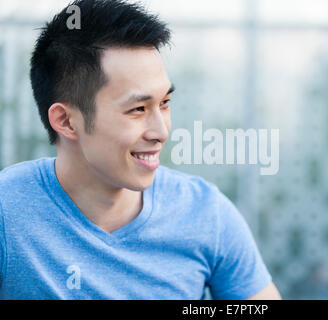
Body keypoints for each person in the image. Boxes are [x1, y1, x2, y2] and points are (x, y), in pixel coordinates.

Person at [0, 0, 281, 300]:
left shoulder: (207, 214)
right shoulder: (8, 212)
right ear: (66, 121)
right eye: (137, 109)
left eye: (164, 104)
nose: (161, 131)